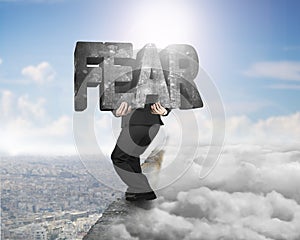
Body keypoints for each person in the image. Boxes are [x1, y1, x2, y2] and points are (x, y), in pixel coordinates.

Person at [111, 101, 171, 201]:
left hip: (137, 123)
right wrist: (165, 110)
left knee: (118, 158)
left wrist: (165, 110)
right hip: (152, 123)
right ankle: (137, 191)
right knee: (131, 156)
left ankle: (142, 190)